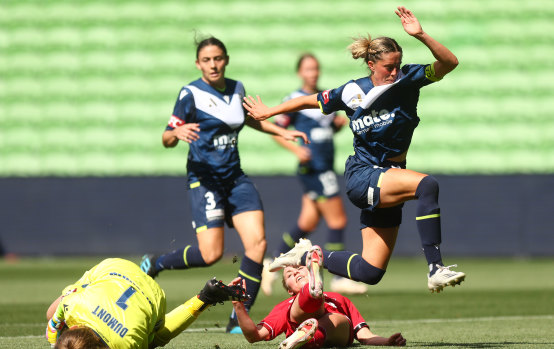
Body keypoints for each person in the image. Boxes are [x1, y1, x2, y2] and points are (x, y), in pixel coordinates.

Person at [243, 7, 465, 293]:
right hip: (364, 175)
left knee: (370, 271)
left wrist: (420, 34)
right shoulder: (352, 91)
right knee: (427, 185)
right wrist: (271, 110)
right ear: (372, 64)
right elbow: (311, 100)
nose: (394, 72)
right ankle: (435, 268)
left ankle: (306, 255)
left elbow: (450, 62)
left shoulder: (409, 79)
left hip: (389, 176)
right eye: (388, 67)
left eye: (398, 64)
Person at [139, 36, 309, 333]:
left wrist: (281, 133)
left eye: (218, 58)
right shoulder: (190, 94)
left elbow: (248, 119)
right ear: (198, 64)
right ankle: (157, 263)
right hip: (206, 182)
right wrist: (176, 135)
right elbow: (166, 137)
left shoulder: (237, 88)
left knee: (257, 244)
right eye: (207, 60)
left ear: (226, 59)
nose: (213, 64)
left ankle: (237, 319)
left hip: (235, 179)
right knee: (210, 255)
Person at [262, 53, 367, 296]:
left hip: (324, 165)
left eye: (316, 68)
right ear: (300, 72)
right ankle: (339, 279)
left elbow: (322, 131)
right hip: (315, 169)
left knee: (307, 223)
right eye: (308, 69)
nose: (313, 73)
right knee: (338, 221)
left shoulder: (325, 97)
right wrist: (296, 149)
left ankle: (272, 265)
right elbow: (276, 130)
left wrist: (335, 127)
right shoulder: (294, 99)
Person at [45, 258, 248, 348]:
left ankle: (204, 298)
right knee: (51, 313)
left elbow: (53, 329)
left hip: (154, 295)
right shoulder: (73, 305)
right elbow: (53, 324)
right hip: (117, 267)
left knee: (153, 341)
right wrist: (54, 342)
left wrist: (54, 340)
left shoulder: (125, 344)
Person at [231, 245, 406, 348]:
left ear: (309, 270)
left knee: (335, 318)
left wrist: (386, 341)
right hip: (302, 316)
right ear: (290, 290)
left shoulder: (339, 298)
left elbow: (364, 335)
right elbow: (254, 335)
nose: (296, 272)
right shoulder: (287, 305)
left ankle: (307, 334)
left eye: (299, 268)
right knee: (295, 309)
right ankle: (310, 306)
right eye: (290, 275)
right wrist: (238, 306)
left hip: (334, 332)